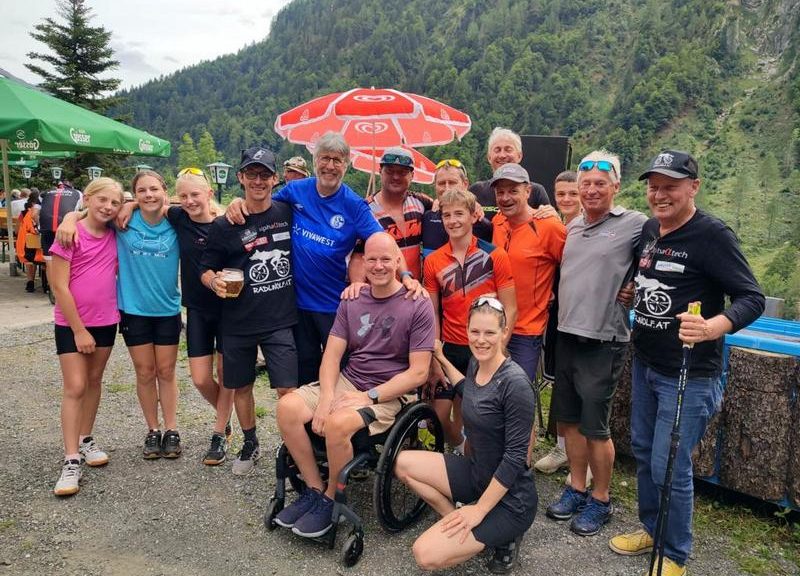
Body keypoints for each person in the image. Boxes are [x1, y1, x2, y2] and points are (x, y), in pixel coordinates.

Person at [609, 150, 765, 576]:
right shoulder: (648, 230)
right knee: (643, 450)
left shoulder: (712, 235)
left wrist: (714, 326)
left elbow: (752, 298)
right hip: (646, 362)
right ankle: (652, 528)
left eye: (670, 187)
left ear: (693, 187)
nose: (660, 195)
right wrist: (632, 293)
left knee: (669, 462)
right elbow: (652, 277)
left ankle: (675, 553)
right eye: (654, 186)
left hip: (689, 373)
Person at [273, 232, 434, 538]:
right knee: (287, 407)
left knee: (337, 423)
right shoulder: (353, 299)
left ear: (399, 261)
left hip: (390, 393)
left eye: (386, 259)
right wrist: (325, 398)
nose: (378, 265)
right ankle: (314, 489)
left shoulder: (417, 304)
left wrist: (368, 396)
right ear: (362, 264)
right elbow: (332, 355)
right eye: (371, 259)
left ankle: (333, 499)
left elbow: (418, 373)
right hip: (350, 379)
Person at [226, 132, 384, 387]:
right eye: (325, 158)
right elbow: (260, 207)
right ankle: (306, 426)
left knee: (340, 371)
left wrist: (406, 276)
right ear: (314, 160)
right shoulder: (296, 190)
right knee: (304, 372)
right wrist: (236, 202)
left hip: (333, 306)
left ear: (347, 164)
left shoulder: (354, 205)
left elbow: (383, 243)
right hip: (295, 306)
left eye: (337, 160)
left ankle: (337, 423)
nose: (330, 165)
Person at [544, 151, 648, 537]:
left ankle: (601, 499)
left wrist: (638, 284)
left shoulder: (634, 224)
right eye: (585, 184)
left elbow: (660, 251)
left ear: (615, 186)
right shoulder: (571, 227)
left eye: (600, 184)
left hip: (604, 339)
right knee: (569, 421)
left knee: (596, 428)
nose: (591, 190)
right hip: (568, 334)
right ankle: (577, 487)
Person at [395, 297, 536, 574]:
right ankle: (457, 518)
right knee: (400, 463)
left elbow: (515, 459)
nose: (481, 340)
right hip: (477, 474)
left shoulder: (515, 384)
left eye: (489, 333)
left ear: (504, 333)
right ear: (467, 331)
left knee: (424, 554)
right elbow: (468, 390)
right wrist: (441, 357)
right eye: (475, 332)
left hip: (512, 499)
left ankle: (502, 534)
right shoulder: (476, 363)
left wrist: (479, 510)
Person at [116, 168, 234, 465]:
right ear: (177, 199)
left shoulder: (226, 224)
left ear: (209, 193)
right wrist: (129, 203)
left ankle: (219, 432)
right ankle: (226, 411)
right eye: (184, 196)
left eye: (195, 194)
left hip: (230, 310)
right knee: (200, 378)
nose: (190, 200)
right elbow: (107, 209)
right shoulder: (178, 218)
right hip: (195, 308)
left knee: (226, 375)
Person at [201, 146, 297, 475]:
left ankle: (292, 445)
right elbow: (206, 268)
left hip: (280, 318)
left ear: (275, 179)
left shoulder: (287, 211)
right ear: (241, 177)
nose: (258, 181)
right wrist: (214, 283)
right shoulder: (223, 225)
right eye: (251, 174)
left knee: (288, 389)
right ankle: (251, 441)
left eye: (264, 175)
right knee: (241, 386)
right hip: (238, 321)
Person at [423, 188, 516, 451]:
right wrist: (434, 357)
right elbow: (432, 313)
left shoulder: (495, 255)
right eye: (447, 215)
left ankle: (471, 466)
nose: (452, 221)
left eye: (459, 214)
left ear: (474, 216)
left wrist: (499, 348)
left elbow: (510, 307)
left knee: (476, 419)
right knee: (437, 418)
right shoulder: (432, 261)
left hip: (484, 347)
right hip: (449, 348)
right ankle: (460, 446)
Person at [49, 177, 124, 496]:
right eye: (102, 200)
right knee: (75, 386)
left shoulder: (114, 234)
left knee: (94, 381)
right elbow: (59, 286)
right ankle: (70, 460)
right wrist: (79, 329)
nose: (108, 207)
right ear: (88, 199)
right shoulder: (70, 233)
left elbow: (153, 205)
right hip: (71, 324)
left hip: (106, 321)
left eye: (115, 202)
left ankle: (86, 438)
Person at [535, 170, 581, 475]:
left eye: (572, 194)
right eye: (560, 193)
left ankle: (585, 458)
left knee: (583, 390)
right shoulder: (557, 225)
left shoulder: (588, 227)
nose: (565, 199)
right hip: (558, 317)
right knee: (562, 385)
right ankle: (564, 449)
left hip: (584, 318)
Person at [469, 127, 551, 217]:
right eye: (497, 150)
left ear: (519, 156)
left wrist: (552, 214)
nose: (502, 155)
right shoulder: (476, 191)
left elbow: (550, 222)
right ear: (489, 157)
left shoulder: (536, 191)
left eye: (508, 150)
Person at [421, 159, 492, 258]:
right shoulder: (426, 219)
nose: (447, 188)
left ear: (465, 184)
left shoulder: (481, 224)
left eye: (452, 182)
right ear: (435, 186)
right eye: (441, 183)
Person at [15, 190, 43, 293]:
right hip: (41, 249)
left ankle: (30, 281)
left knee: (30, 259)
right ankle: (47, 282)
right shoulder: (44, 214)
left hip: (26, 248)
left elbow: (17, 230)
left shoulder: (23, 214)